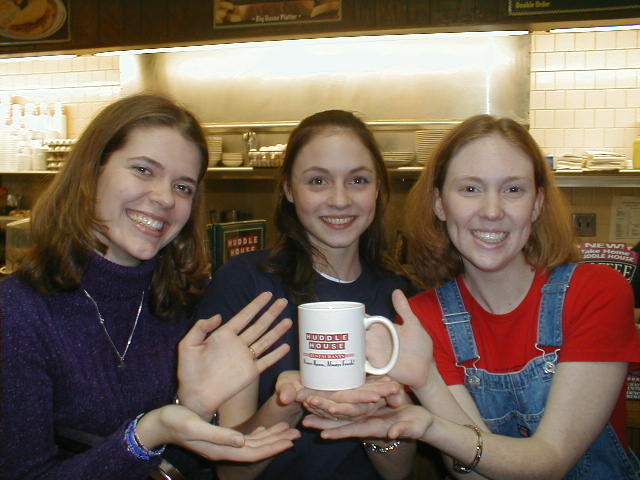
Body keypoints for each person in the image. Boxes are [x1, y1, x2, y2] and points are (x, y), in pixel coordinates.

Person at [302, 114, 640, 479]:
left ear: (538, 203)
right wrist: (426, 378)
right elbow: (472, 474)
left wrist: (429, 425)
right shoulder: (423, 318)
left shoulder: (596, 293)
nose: (492, 211)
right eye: (470, 189)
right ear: (440, 204)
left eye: (513, 189)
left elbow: (551, 460)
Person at [0, 93, 300, 480]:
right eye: (144, 170)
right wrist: (147, 434)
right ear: (92, 172)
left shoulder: (181, 304)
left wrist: (194, 409)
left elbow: (185, 465)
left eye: (183, 187)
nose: (163, 198)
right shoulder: (19, 314)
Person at [196, 109, 416, 480]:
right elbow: (231, 472)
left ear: (378, 189)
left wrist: (372, 413)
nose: (340, 200)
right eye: (318, 181)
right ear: (288, 189)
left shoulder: (400, 295)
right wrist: (290, 403)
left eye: (358, 180)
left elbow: (398, 471)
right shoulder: (245, 285)